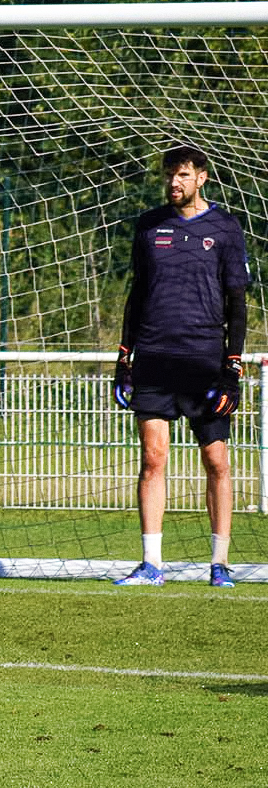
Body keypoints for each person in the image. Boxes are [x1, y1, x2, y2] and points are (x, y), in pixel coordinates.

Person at [112, 144, 250, 588]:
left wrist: (232, 366)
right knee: (153, 458)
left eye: (184, 175)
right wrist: (123, 358)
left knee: (216, 460)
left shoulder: (226, 228)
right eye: (170, 174)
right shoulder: (149, 226)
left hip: (204, 359)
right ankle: (152, 563)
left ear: (202, 178)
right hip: (153, 357)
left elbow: (237, 302)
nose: (176, 182)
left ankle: (219, 563)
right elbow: (137, 294)